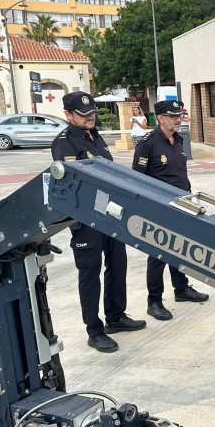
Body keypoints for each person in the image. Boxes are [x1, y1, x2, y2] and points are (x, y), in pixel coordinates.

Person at [52, 91, 146, 353]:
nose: (90, 117)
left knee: (117, 266)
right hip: (86, 218)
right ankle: (94, 330)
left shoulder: (96, 136)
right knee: (90, 274)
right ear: (69, 115)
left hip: (111, 214)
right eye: (83, 115)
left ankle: (116, 317)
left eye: (92, 112)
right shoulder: (65, 142)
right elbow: (73, 184)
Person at [133, 100, 210, 321]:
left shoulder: (178, 139)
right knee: (157, 255)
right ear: (160, 118)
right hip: (159, 208)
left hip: (183, 204)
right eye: (173, 116)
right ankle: (154, 301)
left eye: (179, 115)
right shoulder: (147, 144)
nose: (178, 119)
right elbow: (137, 179)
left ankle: (182, 289)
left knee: (181, 248)